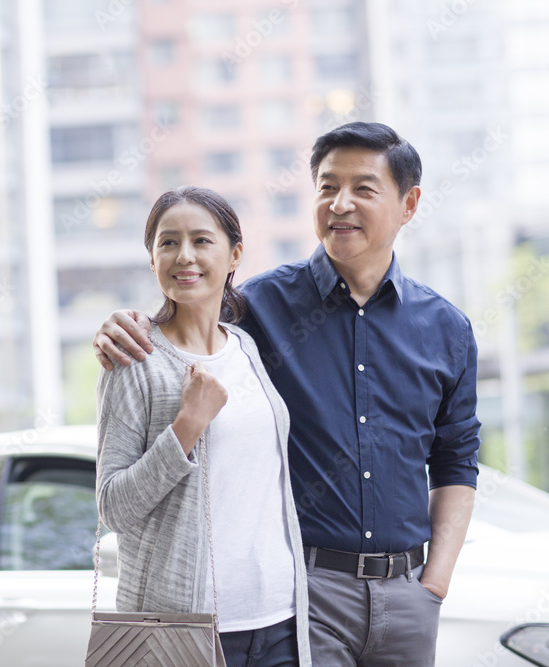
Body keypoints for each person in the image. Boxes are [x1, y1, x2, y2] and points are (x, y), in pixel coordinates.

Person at [93, 122, 481, 666]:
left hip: (409, 596)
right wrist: (121, 326)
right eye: (327, 186)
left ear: (408, 203)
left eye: (363, 188)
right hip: (308, 594)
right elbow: (188, 313)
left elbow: (457, 463)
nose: (340, 203)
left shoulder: (447, 329)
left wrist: (433, 583)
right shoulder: (259, 309)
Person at [96, 185, 311, 666]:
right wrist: (187, 427)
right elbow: (113, 507)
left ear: (234, 254)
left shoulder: (245, 348)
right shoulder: (135, 360)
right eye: (168, 242)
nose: (184, 255)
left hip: (279, 618)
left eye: (201, 240)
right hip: (186, 626)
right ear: (151, 259)